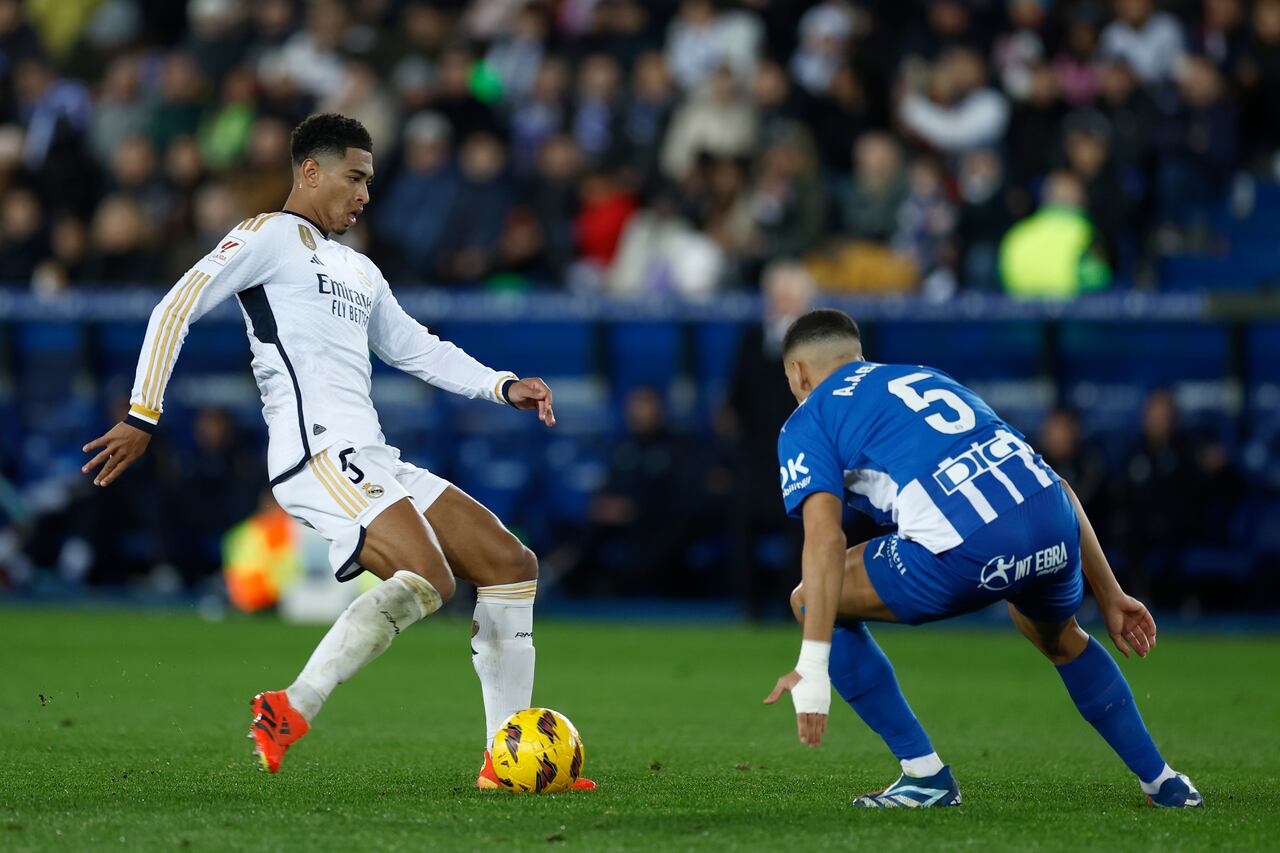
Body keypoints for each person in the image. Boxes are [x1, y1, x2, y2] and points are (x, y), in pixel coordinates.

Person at [80, 113, 595, 791]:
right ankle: (291, 706)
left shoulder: (359, 269)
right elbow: (174, 306)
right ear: (311, 171)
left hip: (372, 454)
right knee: (431, 579)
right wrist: (144, 412)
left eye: (371, 180)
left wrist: (500, 384)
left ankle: (505, 762)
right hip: (316, 454)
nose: (365, 193)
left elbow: (416, 347)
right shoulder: (268, 236)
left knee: (510, 563)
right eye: (355, 177)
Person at [762, 309, 1201, 809]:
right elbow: (1049, 479)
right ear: (858, 355)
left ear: (798, 373)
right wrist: (1111, 591)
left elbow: (823, 542)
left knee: (810, 598)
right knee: (1055, 634)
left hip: (967, 548)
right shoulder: (925, 378)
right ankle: (1163, 781)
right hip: (1053, 523)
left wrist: (813, 663)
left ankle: (923, 775)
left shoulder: (809, 417)